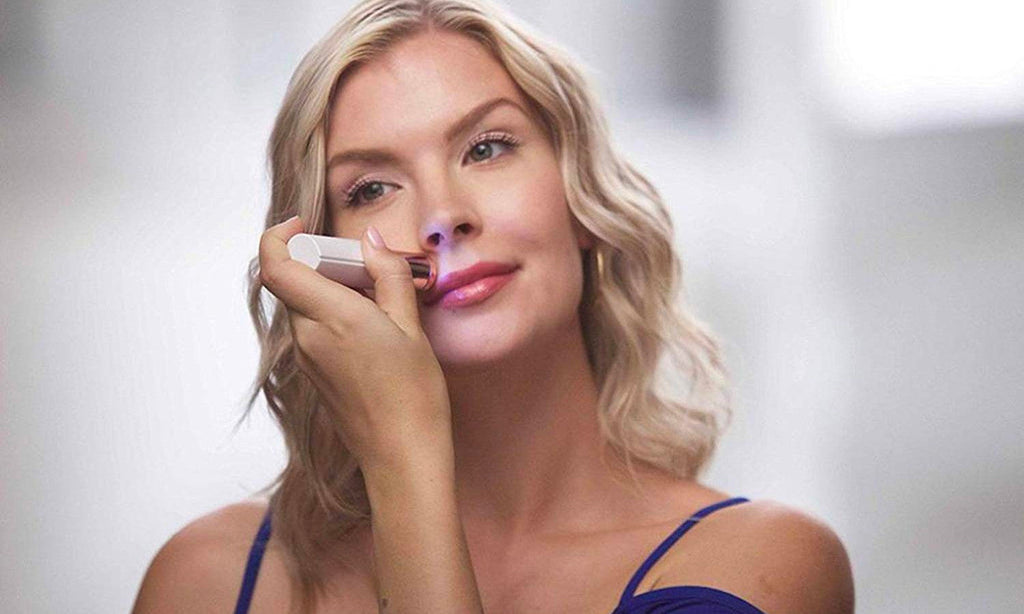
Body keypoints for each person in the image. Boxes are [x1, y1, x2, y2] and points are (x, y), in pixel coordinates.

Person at [132, 1, 854, 612]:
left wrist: (405, 455)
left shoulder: (763, 564)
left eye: (487, 148)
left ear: (580, 195)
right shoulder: (207, 579)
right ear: (327, 261)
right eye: (372, 189)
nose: (443, 215)